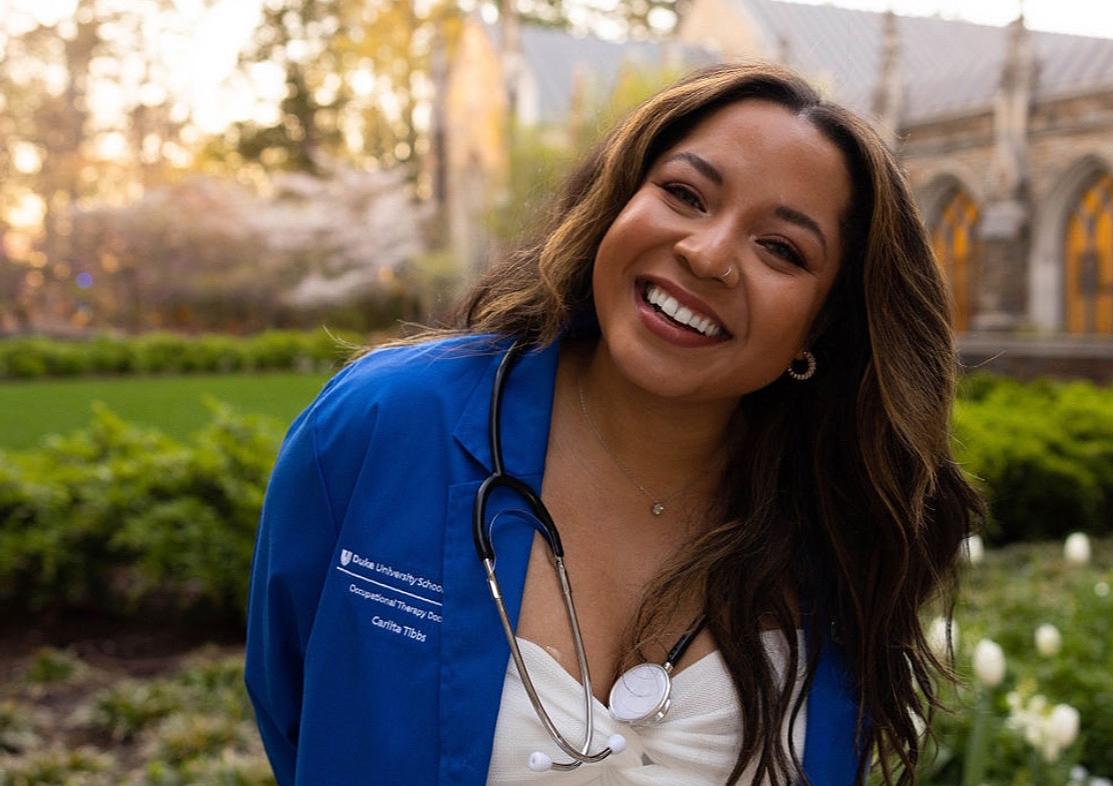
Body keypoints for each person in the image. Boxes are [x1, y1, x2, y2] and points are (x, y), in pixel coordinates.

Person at [245, 62, 985, 786]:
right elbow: (296, 711)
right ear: (617, 201)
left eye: (781, 249)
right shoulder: (385, 422)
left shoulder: (846, 530)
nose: (707, 254)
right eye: (685, 194)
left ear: (819, 329)